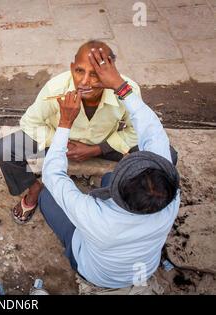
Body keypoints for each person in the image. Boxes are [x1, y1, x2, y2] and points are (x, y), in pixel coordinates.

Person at [38, 47, 180, 292]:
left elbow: (52, 176)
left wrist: (64, 124)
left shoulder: (95, 217)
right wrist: (119, 84)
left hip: (95, 273)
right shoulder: (171, 199)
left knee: (46, 196)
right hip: (145, 268)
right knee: (107, 177)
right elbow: (152, 128)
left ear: (117, 192)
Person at [0, 40, 177, 224]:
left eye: (96, 74)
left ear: (110, 74)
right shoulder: (57, 88)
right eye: (80, 71)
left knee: (166, 157)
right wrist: (64, 144)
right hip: (61, 142)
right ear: (72, 68)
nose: (84, 81)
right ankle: (34, 188)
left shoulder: (127, 90)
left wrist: (98, 149)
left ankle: (120, 193)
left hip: (106, 144)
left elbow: (137, 131)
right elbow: (30, 122)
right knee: (5, 149)